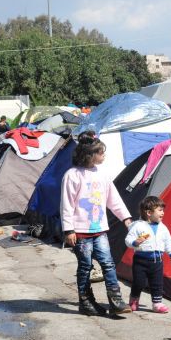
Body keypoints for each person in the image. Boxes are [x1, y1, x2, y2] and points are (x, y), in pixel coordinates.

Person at [61, 131, 133, 316]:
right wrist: (69, 229)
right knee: (85, 266)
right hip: (80, 232)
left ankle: (116, 301)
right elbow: (67, 204)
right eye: (101, 152)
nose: (104, 156)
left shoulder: (103, 174)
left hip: (100, 230)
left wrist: (125, 217)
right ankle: (86, 301)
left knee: (108, 264)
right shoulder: (72, 175)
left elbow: (113, 199)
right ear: (89, 155)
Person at [124, 196, 171, 313]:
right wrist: (135, 242)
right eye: (159, 210)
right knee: (139, 282)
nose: (163, 213)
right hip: (140, 261)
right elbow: (128, 239)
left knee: (157, 283)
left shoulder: (163, 228)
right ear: (149, 213)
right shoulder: (138, 226)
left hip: (157, 261)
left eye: (163, 210)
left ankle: (157, 304)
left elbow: (168, 242)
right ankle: (134, 299)